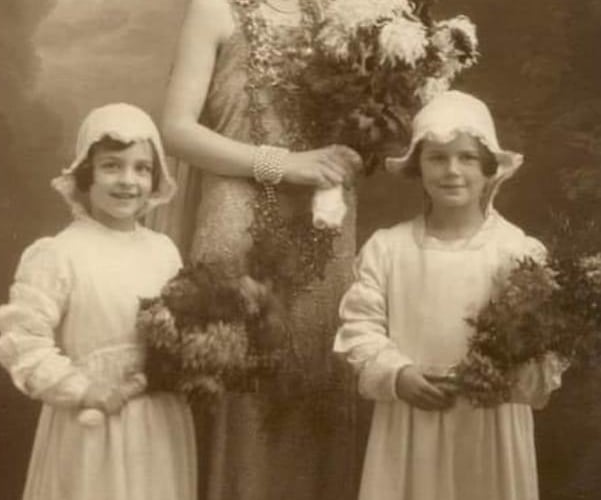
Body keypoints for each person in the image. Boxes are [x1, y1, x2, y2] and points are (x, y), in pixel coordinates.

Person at [151, 0, 364, 499]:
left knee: (322, 370)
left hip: (326, 218)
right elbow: (177, 130)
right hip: (238, 215)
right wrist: (281, 164)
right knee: (240, 383)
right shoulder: (214, 9)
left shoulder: (347, 14)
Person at [334, 90, 565, 500]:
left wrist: (501, 377)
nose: (452, 171)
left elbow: (545, 348)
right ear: (417, 167)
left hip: (488, 427)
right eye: (437, 158)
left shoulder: (517, 253)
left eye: (467, 158)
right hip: (410, 424)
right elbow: (360, 326)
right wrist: (397, 374)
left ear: (489, 168)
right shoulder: (388, 248)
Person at [0, 103, 197, 500]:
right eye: (111, 166)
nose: (128, 180)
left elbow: (181, 329)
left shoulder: (164, 251)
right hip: (93, 424)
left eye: (142, 168)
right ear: (86, 174)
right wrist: (82, 390)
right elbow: (23, 343)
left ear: (156, 179)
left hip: (158, 422)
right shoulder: (59, 253)